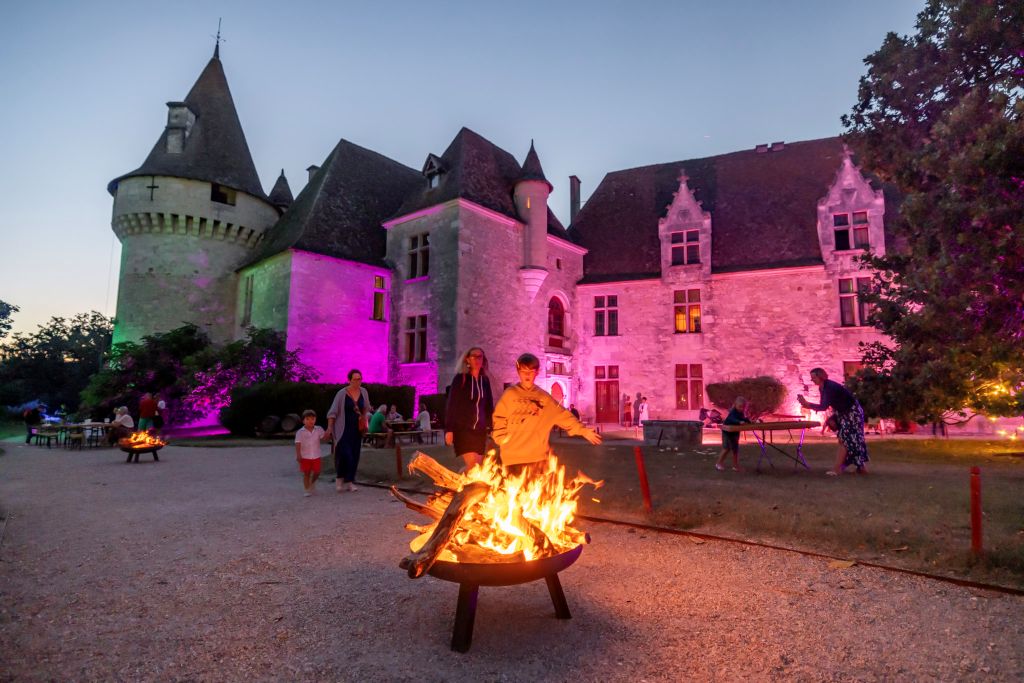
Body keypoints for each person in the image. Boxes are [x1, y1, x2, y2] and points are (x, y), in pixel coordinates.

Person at [492, 353, 602, 473]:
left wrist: (582, 430)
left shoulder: (544, 398)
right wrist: (500, 437)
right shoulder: (510, 394)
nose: (527, 375)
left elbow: (563, 415)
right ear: (518, 372)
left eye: (531, 371)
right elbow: (499, 417)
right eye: (523, 371)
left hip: (537, 458)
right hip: (512, 458)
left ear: (537, 372)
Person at [797, 367, 869, 476]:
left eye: (814, 378)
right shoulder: (823, 387)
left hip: (852, 413)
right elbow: (825, 404)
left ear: (820, 376)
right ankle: (861, 468)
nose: (812, 380)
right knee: (852, 440)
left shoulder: (829, 387)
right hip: (843, 413)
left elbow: (823, 406)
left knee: (845, 439)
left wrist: (808, 405)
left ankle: (837, 469)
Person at [444, 347, 495, 470]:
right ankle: (457, 481)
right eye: (474, 356)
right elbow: (452, 405)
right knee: (473, 466)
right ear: (467, 359)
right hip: (463, 430)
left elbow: (488, 406)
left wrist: (491, 427)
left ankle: (459, 481)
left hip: (480, 432)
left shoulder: (485, 381)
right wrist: (449, 430)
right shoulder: (460, 379)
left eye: (480, 356)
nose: (477, 359)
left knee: (478, 468)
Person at [326, 369, 371, 492]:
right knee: (345, 455)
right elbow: (332, 412)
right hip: (343, 430)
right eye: (355, 379)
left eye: (360, 379)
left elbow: (366, 408)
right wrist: (329, 428)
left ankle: (350, 481)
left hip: (357, 430)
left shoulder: (364, 392)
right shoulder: (341, 394)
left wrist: (365, 421)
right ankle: (339, 479)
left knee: (355, 455)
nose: (358, 382)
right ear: (349, 380)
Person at [294, 409, 327, 496]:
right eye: (307, 419)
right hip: (305, 456)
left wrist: (328, 433)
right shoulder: (300, 432)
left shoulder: (318, 429)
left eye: (313, 419)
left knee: (317, 472)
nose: (310, 421)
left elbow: (324, 438)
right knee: (306, 473)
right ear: (303, 421)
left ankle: (312, 483)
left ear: (315, 419)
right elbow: (297, 443)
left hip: (316, 455)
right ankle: (306, 489)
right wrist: (298, 455)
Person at [715, 397, 751, 472]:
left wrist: (749, 421)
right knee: (726, 448)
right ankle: (718, 463)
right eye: (740, 406)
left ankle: (735, 466)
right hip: (727, 432)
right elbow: (732, 419)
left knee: (735, 449)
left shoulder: (741, 413)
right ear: (735, 405)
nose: (741, 408)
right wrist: (739, 422)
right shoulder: (733, 412)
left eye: (743, 407)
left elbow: (743, 419)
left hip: (735, 432)